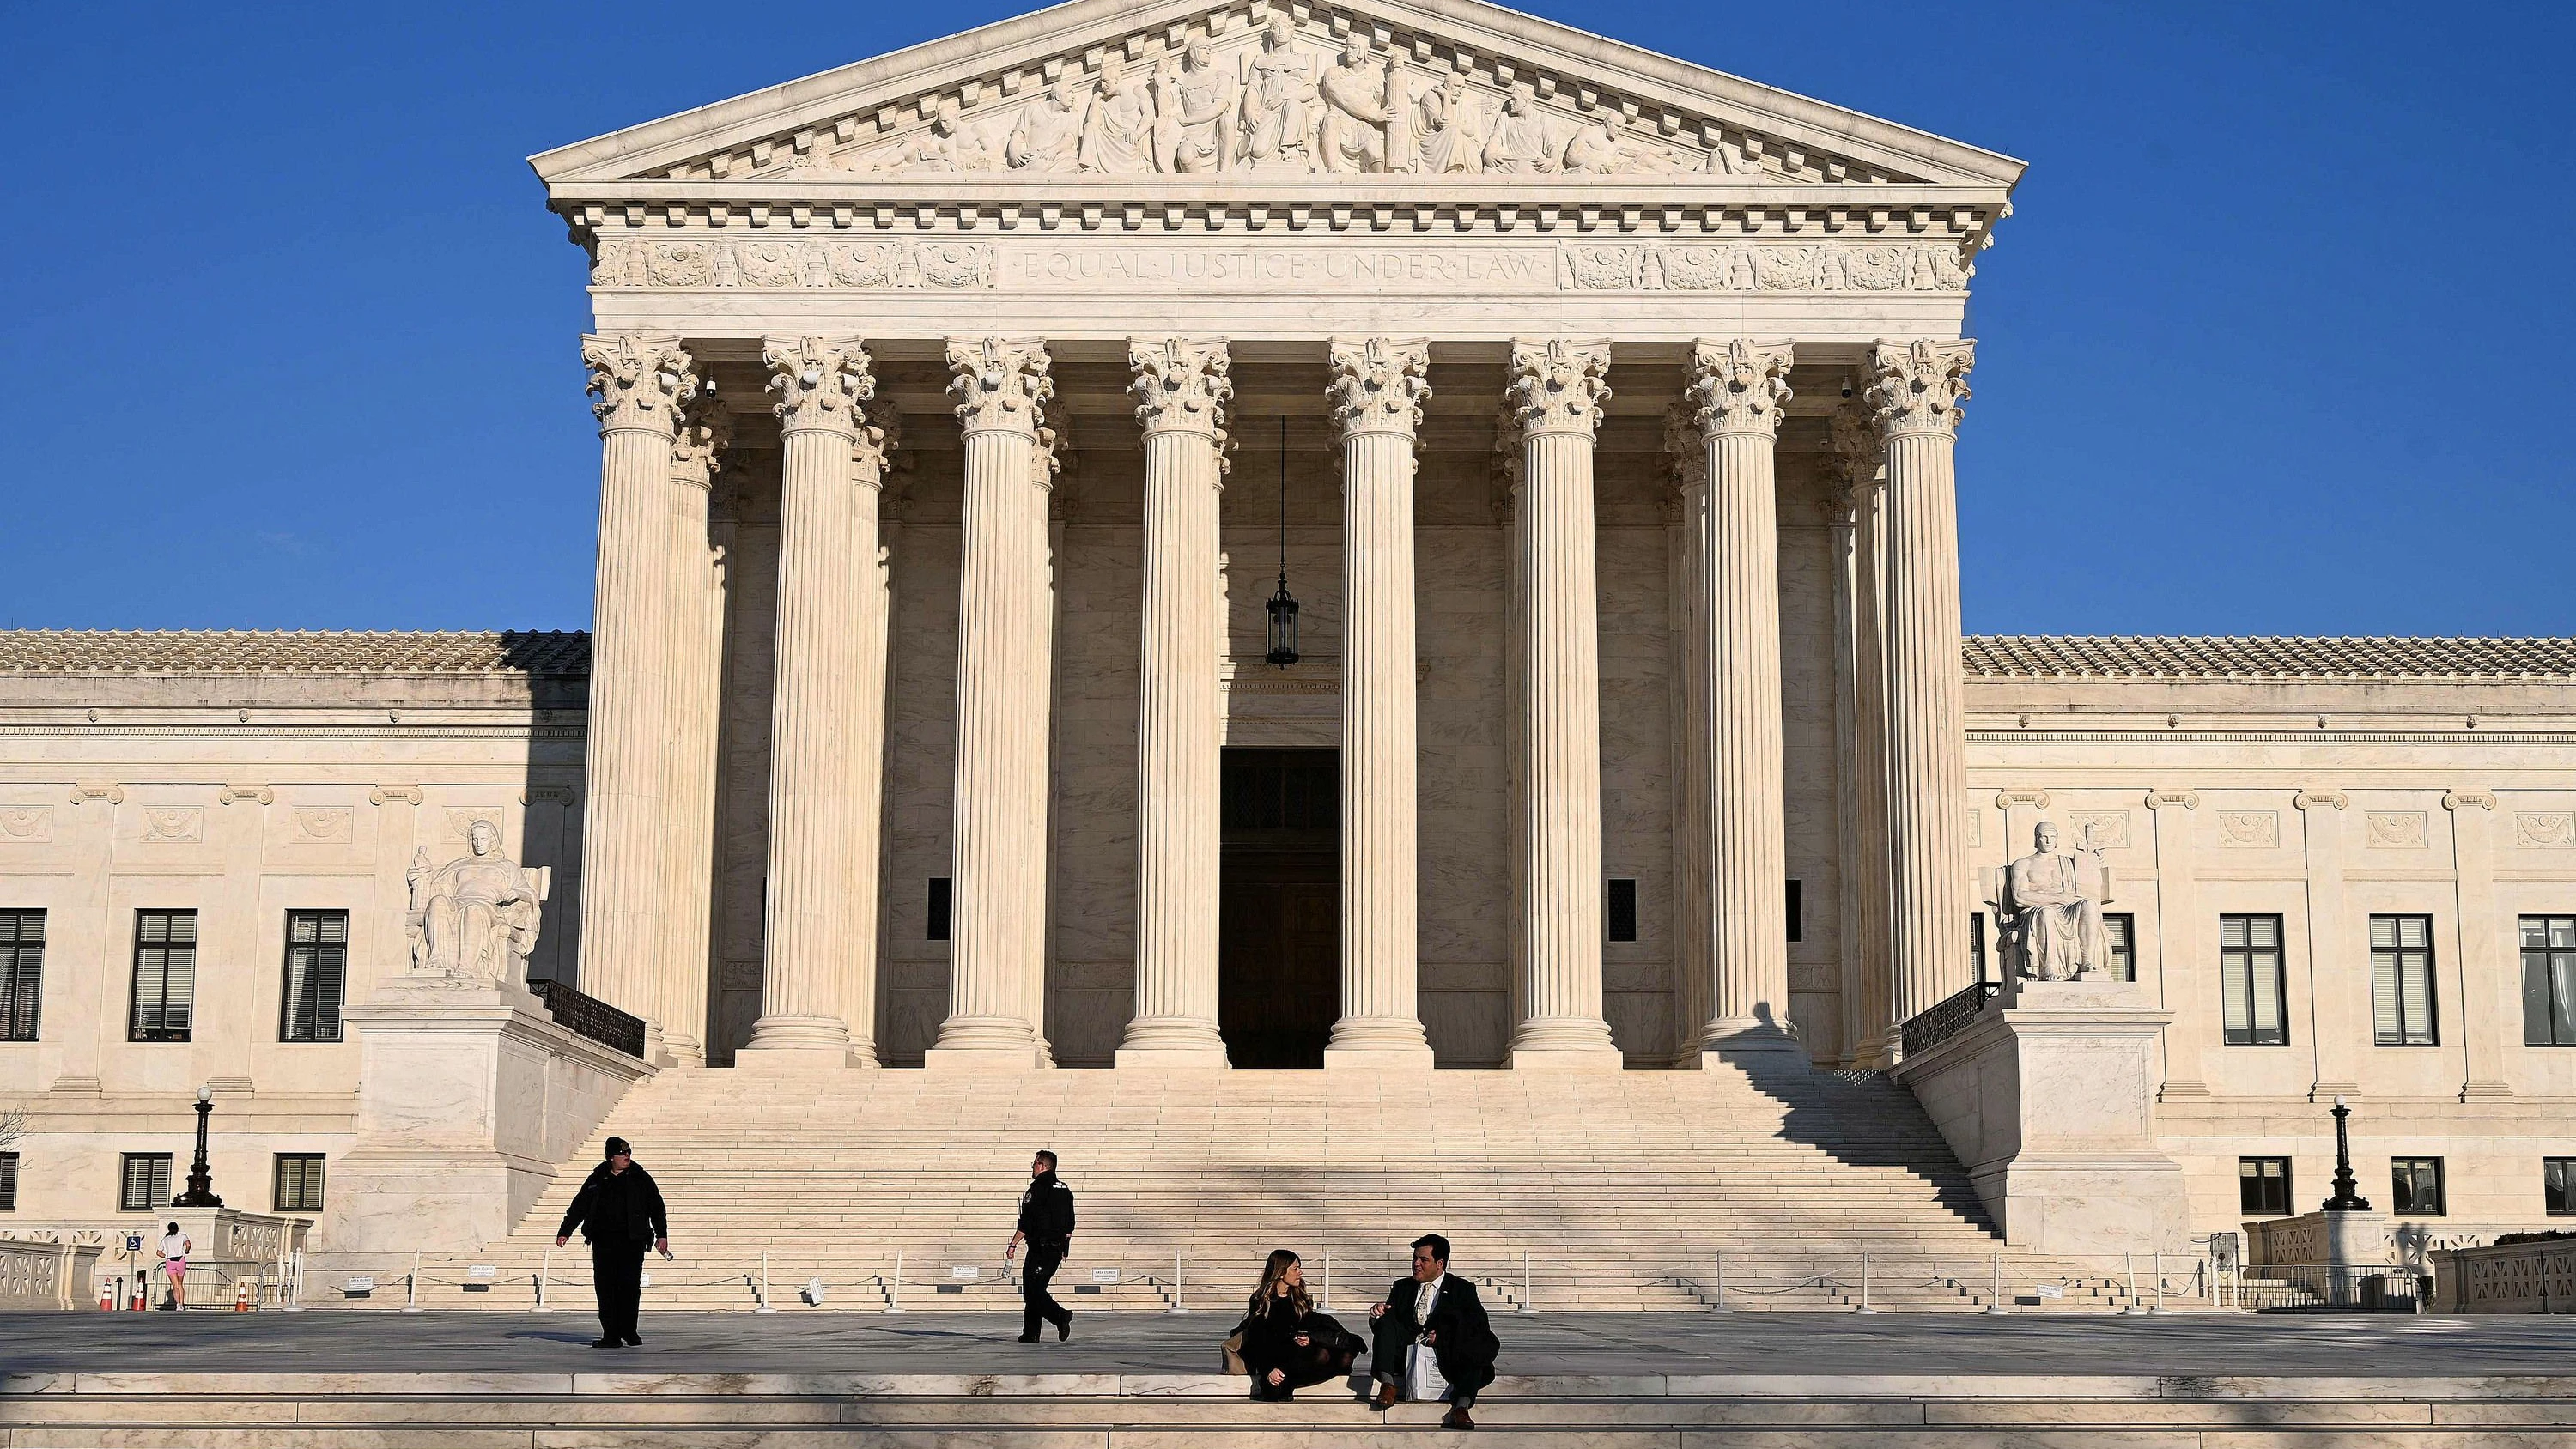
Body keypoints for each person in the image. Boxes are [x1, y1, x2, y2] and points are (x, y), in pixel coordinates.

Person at [1369, 1234, 1499, 1431]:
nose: (1416, 1264)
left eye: (1423, 1259)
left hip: (1448, 1354)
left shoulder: (1462, 1290)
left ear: (1440, 1263)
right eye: (1414, 1258)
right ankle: (1388, 1385)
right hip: (1407, 1353)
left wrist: (1443, 1338)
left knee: (1474, 1349)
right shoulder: (1402, 1287)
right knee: (1386, 1320)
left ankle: (1461, 1408)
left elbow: (1477, 1327)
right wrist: (1376, 1315)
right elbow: (1390, 1327)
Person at [556, 1137, 670, 1349]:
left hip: (632, 1242)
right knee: (606, 1288)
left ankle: (629, 1331)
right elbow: (579, 1205)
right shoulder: (597, 1179)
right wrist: (565, 1231)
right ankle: (611, 1335)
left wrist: (661, 1235)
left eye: (628, 1153)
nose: (627, 1157)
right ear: (611, 1157)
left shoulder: (640, 1178)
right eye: (622, 1154)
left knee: (629, 1287)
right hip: (604, 1242)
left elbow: (657, 1207)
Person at [1236, 1250, 1362, 1401]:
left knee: (1344, 1359)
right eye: (1295, 1269)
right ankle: (1288, 1381)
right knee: (1322, 1358)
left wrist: (1309, 1338)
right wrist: (1268, 1368)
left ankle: (1290, 1381)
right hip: (1278, 1356)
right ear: (1281, 1272)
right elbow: (1257, 1339)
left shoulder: (1299, 1297)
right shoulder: (1262, 1301)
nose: (1300, 1272)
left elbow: (1311, 1323)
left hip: (1303, 1350)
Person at [1005, 1149, 1076, 1343]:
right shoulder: (1065, 1190)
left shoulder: (1037, 1190)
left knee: (1032, 1291)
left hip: (1040, 1249)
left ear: (1043, 1166)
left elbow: (1026, 1223)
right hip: (1056, 1249)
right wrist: (1065, 1249)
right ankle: (1031, 1333)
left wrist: (1013, 1245)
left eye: (1035, 1163)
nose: (1032, 1166)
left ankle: (1060, 1316)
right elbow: (1070, 1225)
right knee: (1036, 1289)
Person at [155, 1222, 191, 1311]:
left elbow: (159, 1252)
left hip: (170, 1261)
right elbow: (188, 1244)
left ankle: (178, 1304)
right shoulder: (183, 1236)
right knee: (180, 1284)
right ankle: (182, 1304)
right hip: (180, 1260)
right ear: (177, 1229)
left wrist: (166, 1255)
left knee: (175, 1285)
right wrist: (187, 1250)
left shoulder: (166, 1239)